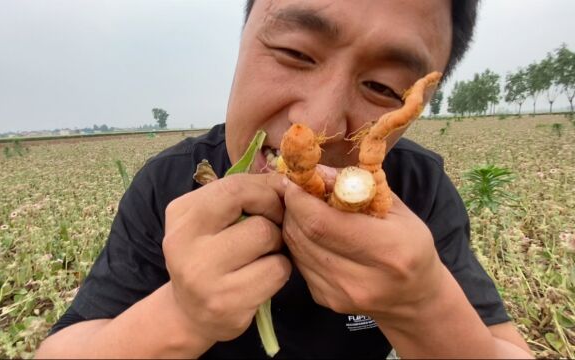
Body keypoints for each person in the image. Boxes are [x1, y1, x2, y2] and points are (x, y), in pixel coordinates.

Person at [36, 0, 533, 358]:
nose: (316, 128)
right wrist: (182, 315)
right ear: (242, 42)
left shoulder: (417, 191)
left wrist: (421, 305)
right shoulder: (169, 185)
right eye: (296, 53)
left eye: (383, 88)